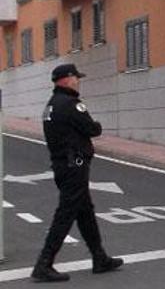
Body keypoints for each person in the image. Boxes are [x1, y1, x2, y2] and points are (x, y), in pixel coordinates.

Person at [31, 64, 123, 283]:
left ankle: (99, 257)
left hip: (62, 165)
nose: (78, 81)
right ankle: (43, 264)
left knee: (85, 212)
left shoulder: (51, 106)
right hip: (75, 166)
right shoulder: (71, 104)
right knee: (66, 214)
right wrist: (97, 125)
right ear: (65, 79)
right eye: (75, 77)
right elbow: (92, 129)